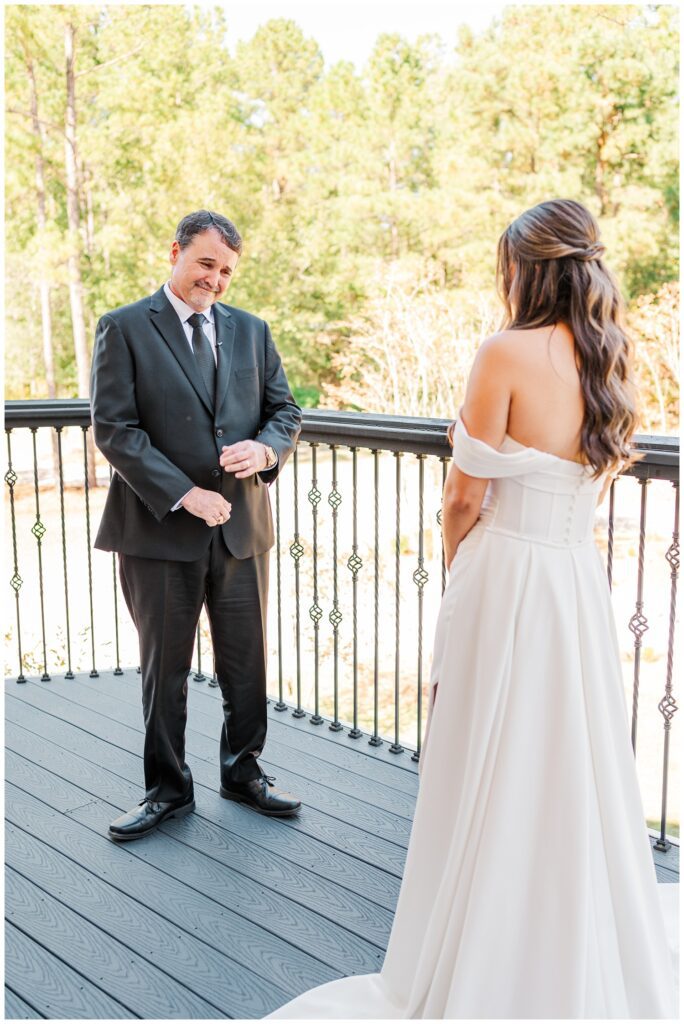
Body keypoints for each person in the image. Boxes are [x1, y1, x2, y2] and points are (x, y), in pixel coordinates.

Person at [266, 199, 677, 1018]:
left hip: (507, 577)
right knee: (567, 760)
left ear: (526, 268)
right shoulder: (614, 354)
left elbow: (462, 497)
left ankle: (480, 952)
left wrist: (460, 578)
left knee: (482, 754)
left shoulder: (504, 352)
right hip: (571, 583)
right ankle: (561, 939)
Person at [91, 209, 302, 841]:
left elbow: (284, 410)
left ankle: (244, 771)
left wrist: (266, 451)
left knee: (246, 662)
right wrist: (184, 494)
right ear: (176, 251)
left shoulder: (253, 331)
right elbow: (115, 430)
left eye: (227, 270)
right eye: (206, 263)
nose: (215, 279)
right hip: (158, 531)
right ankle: (167, 789)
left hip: (241, 529)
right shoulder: (123, 327)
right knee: (166, 667)